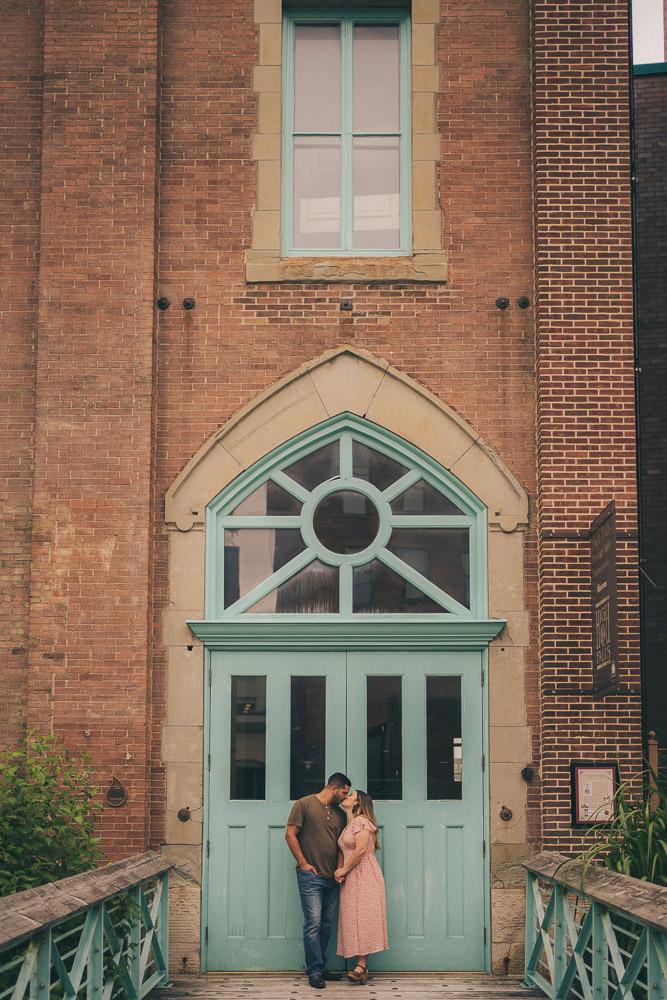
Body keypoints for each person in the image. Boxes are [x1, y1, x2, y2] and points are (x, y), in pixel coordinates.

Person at [285, 772, 352, 989]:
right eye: (344, 792)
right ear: (334, 788)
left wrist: (341, 870)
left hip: (332, 877)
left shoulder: (340, 815)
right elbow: (290, 835)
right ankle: (313, 971)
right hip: (311, 877)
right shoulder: (303, 804)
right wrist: (303, 863)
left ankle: (321, 966)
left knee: (327, 924)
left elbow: (343, 844)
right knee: (313, 924)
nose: (345, 796)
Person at [334, 789, 388, 984]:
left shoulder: (361, 821)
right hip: (352, 876)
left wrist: (344, 870)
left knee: (363, 918)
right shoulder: (350, 824)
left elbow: (360, 850)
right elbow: (345, 850)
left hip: (365, 875)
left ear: (357, 803)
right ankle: (361, 966)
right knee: (353, 919)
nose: (346, 797)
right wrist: (340, 870)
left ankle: (361, 966)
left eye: (351, 796)